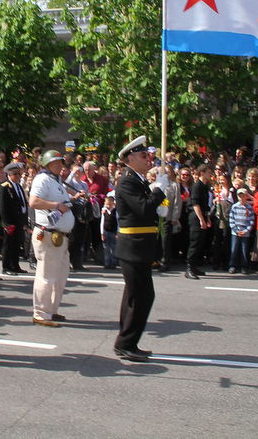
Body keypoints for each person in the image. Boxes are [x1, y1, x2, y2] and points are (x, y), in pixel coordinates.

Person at [112, 136, 167, 362]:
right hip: (132, 248)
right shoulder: (127, 181)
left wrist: (160, 200)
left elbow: (149, 211)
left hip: (140, 247)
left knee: (134, 296)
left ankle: (126, 341)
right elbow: (144, 208)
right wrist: (159, 192)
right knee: (141, 296)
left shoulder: (138, 180)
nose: (148, 159)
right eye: (144, 155)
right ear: (131, 158)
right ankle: (126, 343)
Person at [28, 150, 82, 327]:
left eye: (60, 162)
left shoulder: (55, 181)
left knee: (60, 276)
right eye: (55, 163)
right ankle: (41, 313)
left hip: (60, 236)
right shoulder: (42, 179)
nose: (60, 165)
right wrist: (56, 205)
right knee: (47, 276)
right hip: (49, 234)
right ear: (46, 164)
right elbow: (34, 202)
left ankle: (51, 310)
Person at [0, 162, 29, 275]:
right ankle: (6, 267)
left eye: (19, 174)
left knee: (17, 243)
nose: (18, 176)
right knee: (8, 244)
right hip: (10, 221)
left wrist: (24, 221)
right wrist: (6, 223)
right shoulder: (5, 187)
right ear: (9, 174)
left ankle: (15, 265)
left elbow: (23, 203)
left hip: (19, 220)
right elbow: (2, 206)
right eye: (15, 174)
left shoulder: (18, 186)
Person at [185, 164, 212, 280]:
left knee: (200, 243)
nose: (210, 174)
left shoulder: (205, 186)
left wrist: (208, 219)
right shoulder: (197, 186)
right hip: (196, 217)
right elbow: (195, 204)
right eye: (208, 172)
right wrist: (201, 219)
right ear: (202, 173)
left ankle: (195, 266)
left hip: (203, 216)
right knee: (194, 243)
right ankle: (189, 268)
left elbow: (205, 206)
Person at [228, 188, 255, 274]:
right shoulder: (234, 206)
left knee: (244, 250)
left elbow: (251, 220)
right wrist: (236, 230)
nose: (241, 198)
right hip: (235, 232)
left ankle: (244, 266)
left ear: (246, 196)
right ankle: (232, 266)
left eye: (243, 196)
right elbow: (231, 219)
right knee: (234, 249)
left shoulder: (249, 207)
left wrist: (246, 230)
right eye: (240, 196)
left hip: (245, 232)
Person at [101, 192, 118, 269]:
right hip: (106, 231)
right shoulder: (104, 212)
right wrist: (102, 233)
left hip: (113, 231)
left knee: (113, 248)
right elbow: (102, 223)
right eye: (106, 204)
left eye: (109, 204)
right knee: (106, 248)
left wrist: (118, 232)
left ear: (113, 204)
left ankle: (113, 262)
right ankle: (107, 262)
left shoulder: (115, 212)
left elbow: (118, 222)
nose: (107, 206)